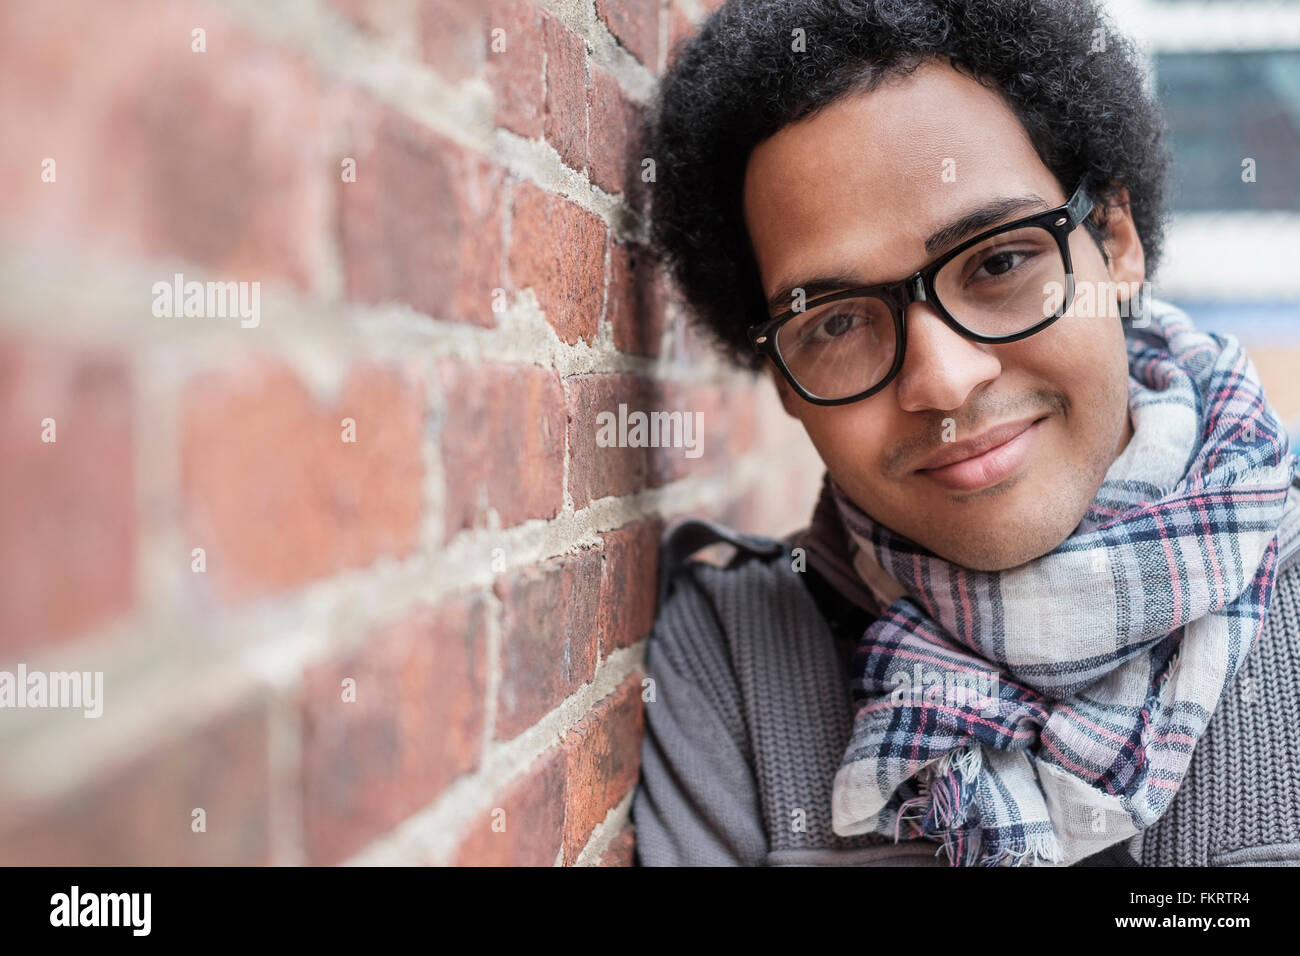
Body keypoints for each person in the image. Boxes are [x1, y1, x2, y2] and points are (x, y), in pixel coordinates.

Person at [630, 0, 1300, 866]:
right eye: (836, 321)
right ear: (781, 381)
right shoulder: (734, 662)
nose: (943, 379)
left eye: (999, 262)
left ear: (1116, 242)